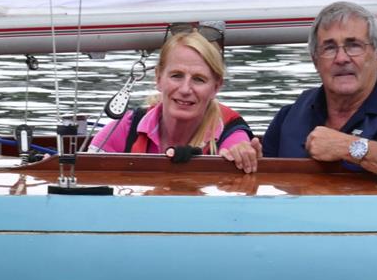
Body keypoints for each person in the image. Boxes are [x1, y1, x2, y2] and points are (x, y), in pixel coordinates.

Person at [261, 1, 377, 190]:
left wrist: (347, 147)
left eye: (354, 46)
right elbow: (261, 184)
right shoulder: (288, 117)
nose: (341, 58)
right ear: (315, 61)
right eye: (329, 48)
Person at [89, 24, 261, 173]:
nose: (185, 89)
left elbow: (237, 148)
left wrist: (242, 155)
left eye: (199, 79)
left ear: (216, 87)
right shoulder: (125, 130)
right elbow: (86, 177)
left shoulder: (230, 133)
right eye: (176, 76)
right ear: (158, 78)